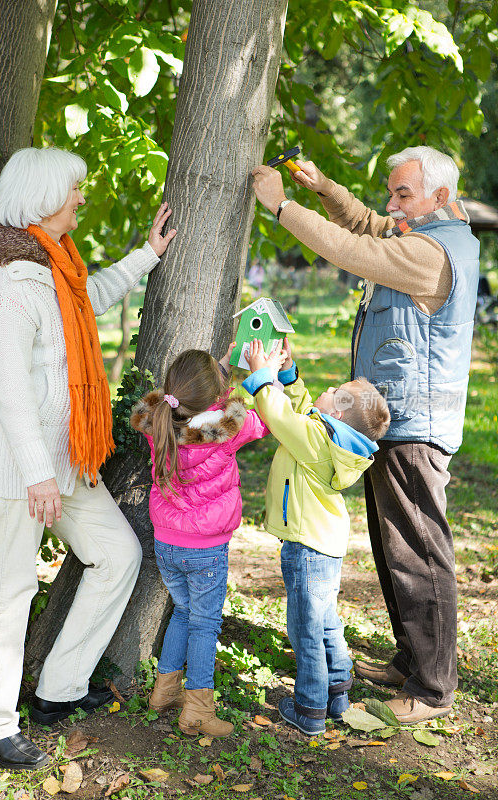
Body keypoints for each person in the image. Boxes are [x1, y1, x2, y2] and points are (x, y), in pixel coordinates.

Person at [0, 147, 177, 770]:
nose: (81, 199)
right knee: (6, 588)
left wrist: (148, 255)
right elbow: (6, 385)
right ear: (41, 197)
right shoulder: (9, 277)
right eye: (73, 191)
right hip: (17, 466)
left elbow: (93, 297)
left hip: (66, 458)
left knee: (118, 553)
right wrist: (35, 474)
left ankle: (58, 690)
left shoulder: (59, 267)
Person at [252, 145, 480, 723]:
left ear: (440, 198)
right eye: (392, 191)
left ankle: (432, 688)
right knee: (392, 545)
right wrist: (325, 187)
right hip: (397, 417)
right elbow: (372, 225)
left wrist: (283, 209)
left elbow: (355, 249)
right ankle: (411, 659)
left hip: (415, 423)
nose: (392, 203)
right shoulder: (426, 232)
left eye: (404, 193)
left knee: (419, 554)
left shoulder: (430, 255)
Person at [242, 338, 389, 735]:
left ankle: (309, 709)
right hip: (326, 545)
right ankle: (338, 691)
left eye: (335, 392)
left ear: (338, 410)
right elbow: (303, 406)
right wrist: (288, 374)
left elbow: (280, 416)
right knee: (325, 623)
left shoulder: (316, 441)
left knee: (305, 629)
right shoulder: (331, 438)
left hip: (306, 547)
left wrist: (262, 376)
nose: (326, 390)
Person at [129, 346, 268, 737]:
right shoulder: (225, 429)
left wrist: (217, 373)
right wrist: (257, 377)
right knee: (205, 624)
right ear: (215, 396)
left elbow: (166, 406)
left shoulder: (157, 422)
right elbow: (263, 423)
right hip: (205, 547)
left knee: (184, 613)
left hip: (167, 544)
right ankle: (196, 711)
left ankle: (164, 692)